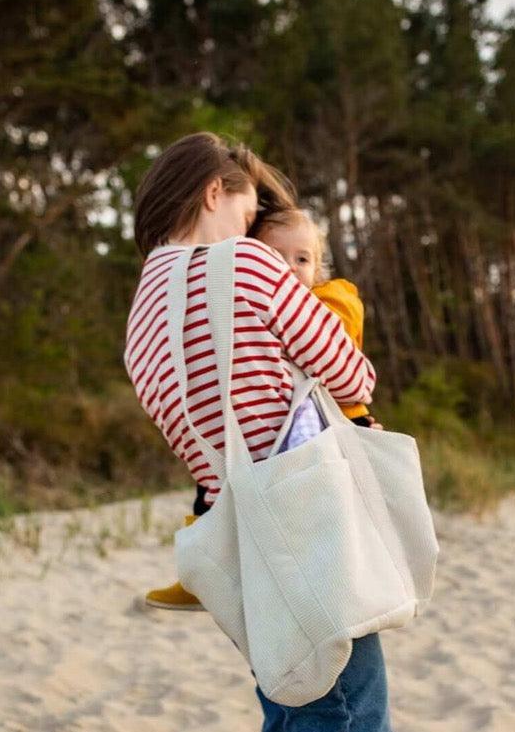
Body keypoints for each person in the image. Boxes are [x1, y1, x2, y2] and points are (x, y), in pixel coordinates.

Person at [123, 131, 473, 732]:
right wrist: (301, 293)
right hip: (315, 551)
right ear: (219, 192)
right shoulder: (246, 268)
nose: (252, 223)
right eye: (244, 204)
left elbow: (201, 427)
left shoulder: (144, 310)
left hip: (247, 560)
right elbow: (348, 369)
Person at [143, 203, 378, 610]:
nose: (289, 267)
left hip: (335, 421)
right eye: (276, 257)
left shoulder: (330, 298)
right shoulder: (250, 295)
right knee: (214, 491)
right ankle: (203, 569)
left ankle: (212, 570)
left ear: (318, 267)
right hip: (286, 425)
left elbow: (337, 359)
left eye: (302, 259)